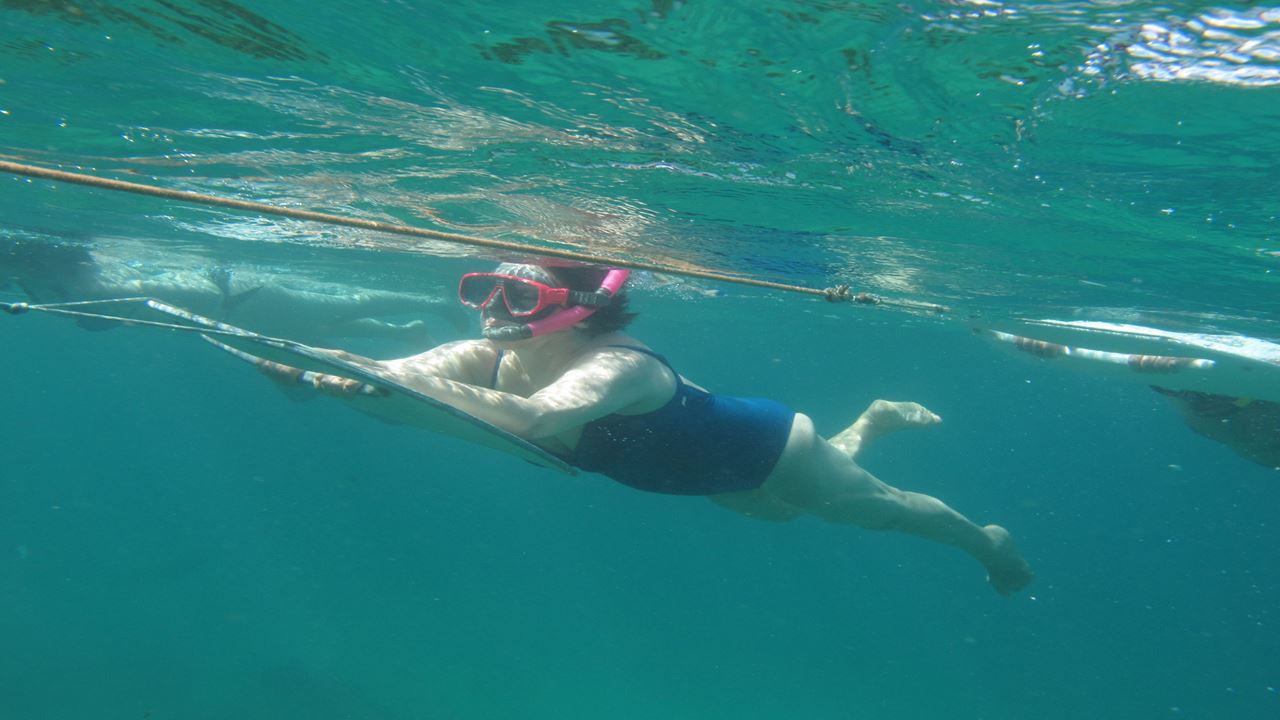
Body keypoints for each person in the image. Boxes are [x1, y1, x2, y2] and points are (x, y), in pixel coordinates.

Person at [258, 261, 1033, 595]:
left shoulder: (624, 367)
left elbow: (533, 418)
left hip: (762, 449)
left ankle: (987, 542)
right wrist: (323, 376)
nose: (495, 310)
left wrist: (378, 379)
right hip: (694, 476)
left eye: (519, 297)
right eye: (484, 290)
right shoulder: (478, 352)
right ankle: (869, 423)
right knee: (775, 517)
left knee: (871, 512)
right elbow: (401, 372)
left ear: (582, 305)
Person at [0, 235, 466, 348]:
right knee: (322, 327)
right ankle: (408, 331)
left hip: (237, 300)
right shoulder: (48, 288)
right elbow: (97, 317)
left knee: (337, 311)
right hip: (224, 316)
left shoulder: (72, 279)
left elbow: (98, 312)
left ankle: (429, 306)